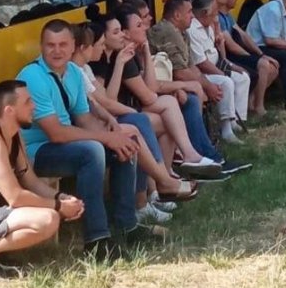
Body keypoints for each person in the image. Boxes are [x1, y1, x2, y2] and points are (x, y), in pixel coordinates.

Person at [18, 20, 146, 260]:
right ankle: (96, 241)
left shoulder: (74, 72)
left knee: (126, 143)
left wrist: (114, 138)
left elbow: (83, 118)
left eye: (62, 45)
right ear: (41, 47)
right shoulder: (32, 76)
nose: (56, 51)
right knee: (92, 151)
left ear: (73, 46)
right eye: (50, 45)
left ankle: (127, 227)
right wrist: (105, 138)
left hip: (64, 145)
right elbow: (56, 132)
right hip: (37, 151)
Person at [0, 79, 84, 278]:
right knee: (48, 219)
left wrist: (62, 197)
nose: (34, 106)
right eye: (28, 102)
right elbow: (15, 197)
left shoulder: (14, 135)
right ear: (9, 110)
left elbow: (31, 181)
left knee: (51, 216)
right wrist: (57, 206)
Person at [71, 23, 196, 225]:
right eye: (102, 42)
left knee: (142, 123)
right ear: (84, 48)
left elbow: (103, 101)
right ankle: (154, 191)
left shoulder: (83, 68)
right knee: (136, 125)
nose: (103, 48)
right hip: (90, 127)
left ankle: (156, 190)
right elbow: (108, 101)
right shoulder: (82, 69)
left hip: (101, 122)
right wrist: (120, 65)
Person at [96, 6, 228, 178]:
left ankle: (173, 169)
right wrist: (177, 87)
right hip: (119, 114)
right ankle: (170, 172)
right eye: (139, 25)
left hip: (126, 110)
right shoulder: (120, 57)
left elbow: (151, 87)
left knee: (171, 107)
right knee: (168, 109)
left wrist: (146, 51)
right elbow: (148, 95)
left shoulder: (129, 53)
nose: (146, 26)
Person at [147, 0, 250, 175]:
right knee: (192, 99)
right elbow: (179, 72)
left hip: (172, 85)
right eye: (188, 13)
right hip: (164, 87)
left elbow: (190, 65)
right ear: (177, 15)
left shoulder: (181, 32)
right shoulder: (167, 32)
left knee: (195, 94)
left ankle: (208, 154)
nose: (192, 17)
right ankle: (206, 156)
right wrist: (203, 85)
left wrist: (205, 84)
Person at [203, 0, 280, 117]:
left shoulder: (227, 16)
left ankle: (250, 102)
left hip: (228, 57)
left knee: (272, 67)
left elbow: (243, 35)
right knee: (263, 65)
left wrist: (260, 53)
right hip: (225, 58)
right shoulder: (216, 17)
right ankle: (258, 106)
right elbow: (230, 45)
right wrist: (257, 58)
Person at [187, 0, 251, 143]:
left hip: (216, 65)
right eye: (214, 14)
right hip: (203, 73)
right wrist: (223, 73)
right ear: (204, 13)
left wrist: (217, 34)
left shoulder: (208, 25)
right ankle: (226, 129)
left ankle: (235, 121)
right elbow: (201, 63)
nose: (216, 17)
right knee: (226, 82)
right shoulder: (192, 30)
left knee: (242, 77)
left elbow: (221, 55)